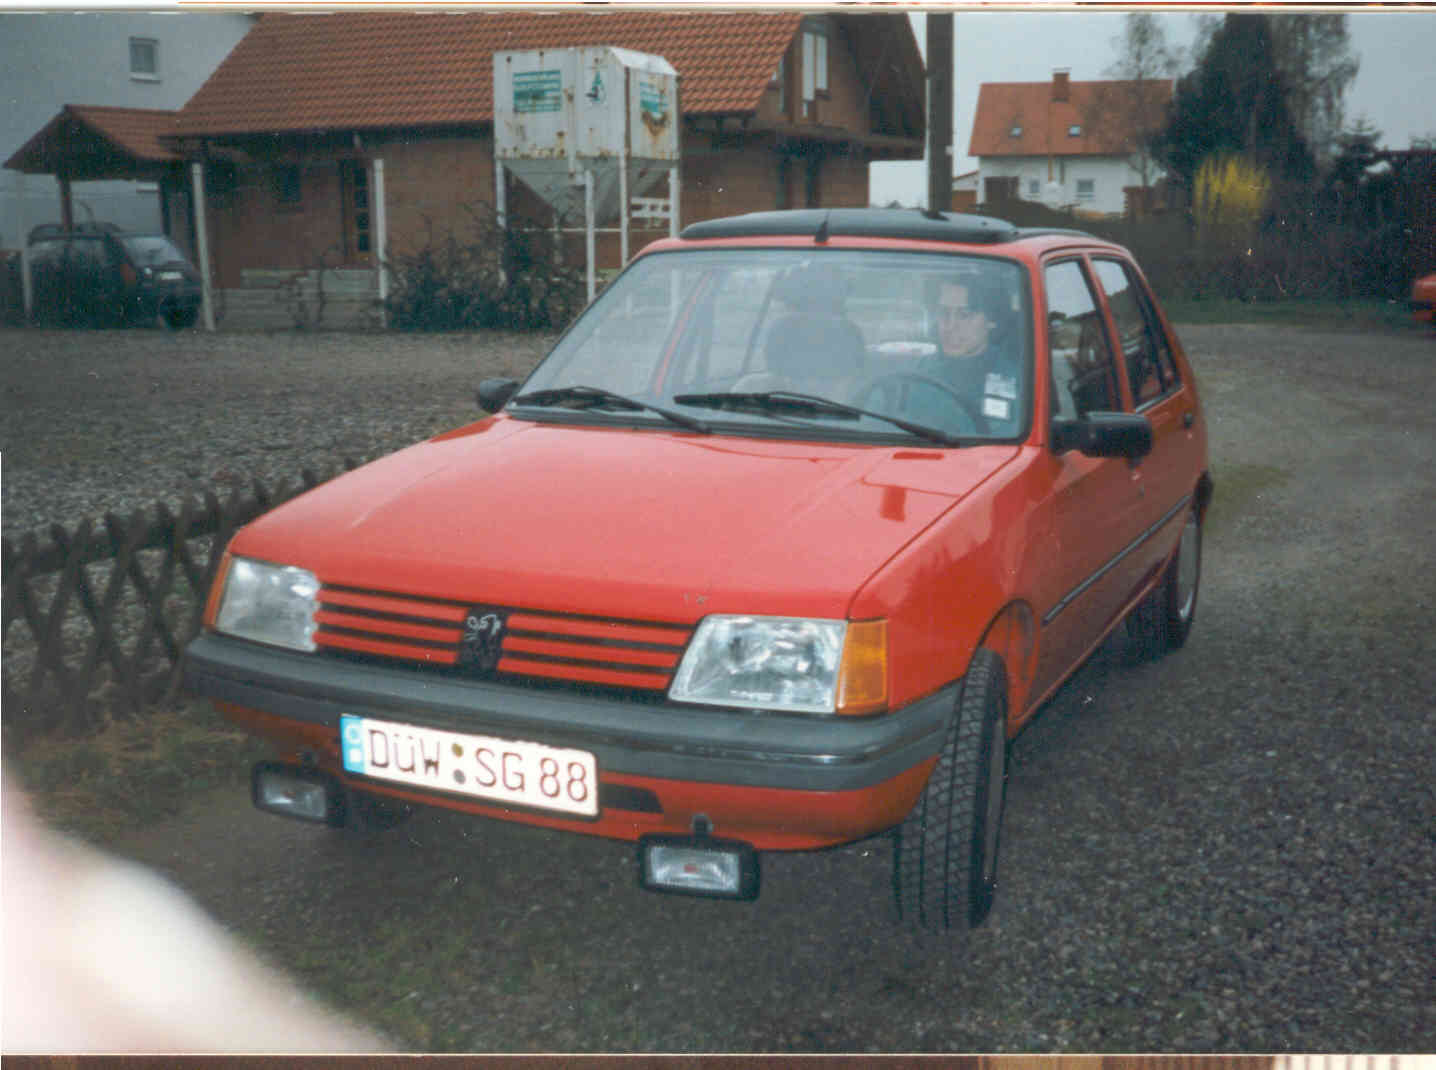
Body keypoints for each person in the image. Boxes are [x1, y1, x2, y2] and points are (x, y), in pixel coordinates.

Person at [909, 273, 1024, 436]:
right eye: (944, 313)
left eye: (964, 315)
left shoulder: (1015, 379)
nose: (950, 326)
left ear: (991, 320)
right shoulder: (917, 371)